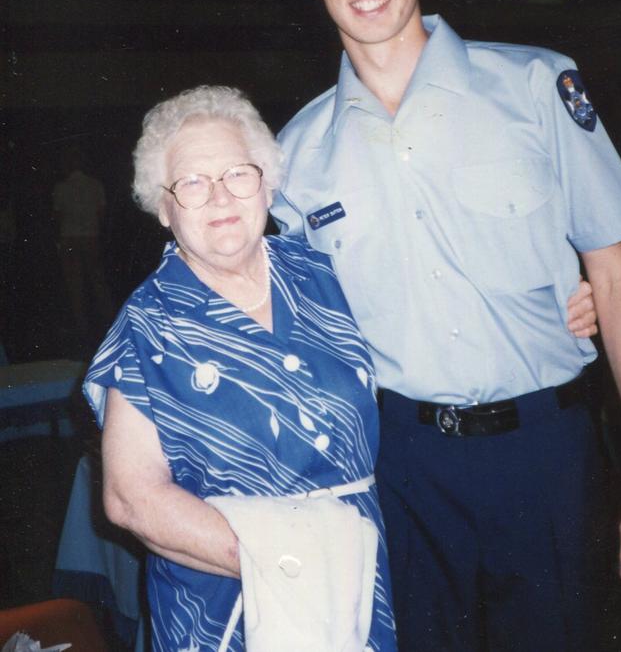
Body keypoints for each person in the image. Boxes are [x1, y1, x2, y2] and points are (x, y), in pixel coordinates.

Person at [272, 0, 621, 652]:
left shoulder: (537, 86)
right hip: (400, 469)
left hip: (546, 458)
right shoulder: (293, 157)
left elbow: (617, 282)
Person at [82, 85, 398, 652]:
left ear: (266, 182)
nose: (220, 197)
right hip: (228, 612)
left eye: (236, 173)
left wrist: (563, 304)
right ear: (163, 206)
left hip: (357, 584)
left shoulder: (322, 273)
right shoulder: (148, 324)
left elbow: (422, 322)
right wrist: (291, 562)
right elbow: (129, 497)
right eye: (192, 183)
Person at [52, 145, 114, 349]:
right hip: (91, 237)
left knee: (75, 285)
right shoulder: (95, 185)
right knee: (98, 281)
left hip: (69, 238)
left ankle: (81, 328)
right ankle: (110, 322)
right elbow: (101, 213)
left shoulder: (60, 187)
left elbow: (58, 216)